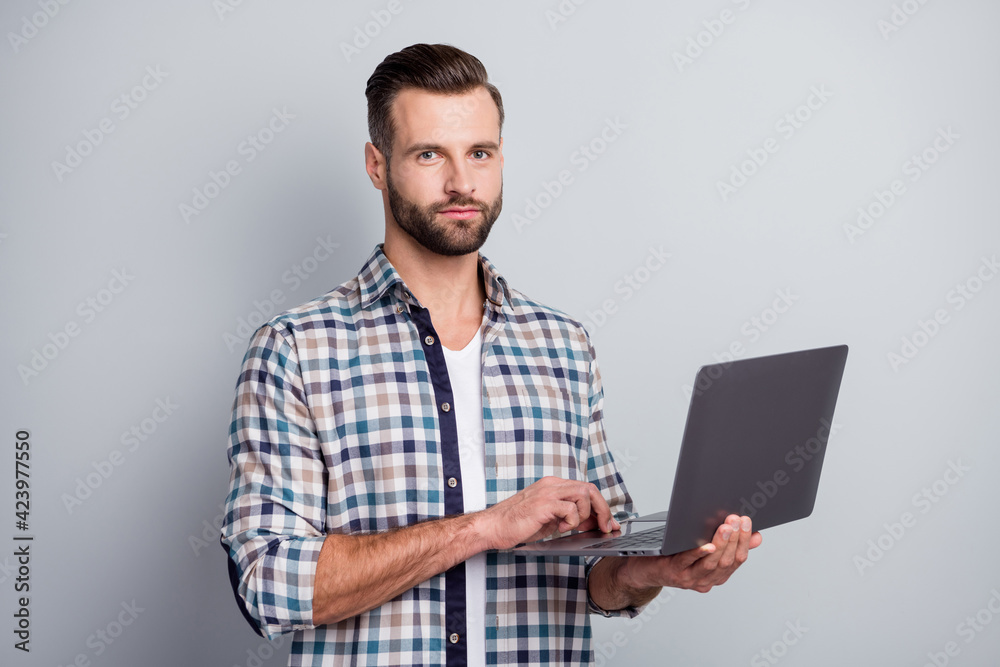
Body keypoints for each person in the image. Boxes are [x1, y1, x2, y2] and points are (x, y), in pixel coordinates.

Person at [221, 43, 762, 666]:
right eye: (429, 154)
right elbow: (268, 585)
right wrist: (484, 526)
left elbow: (596, 570)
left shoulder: (563, 346)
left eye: (480, 153)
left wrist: (652, 571)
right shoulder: (296, 350)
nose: (461, 182)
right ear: (376, 165)